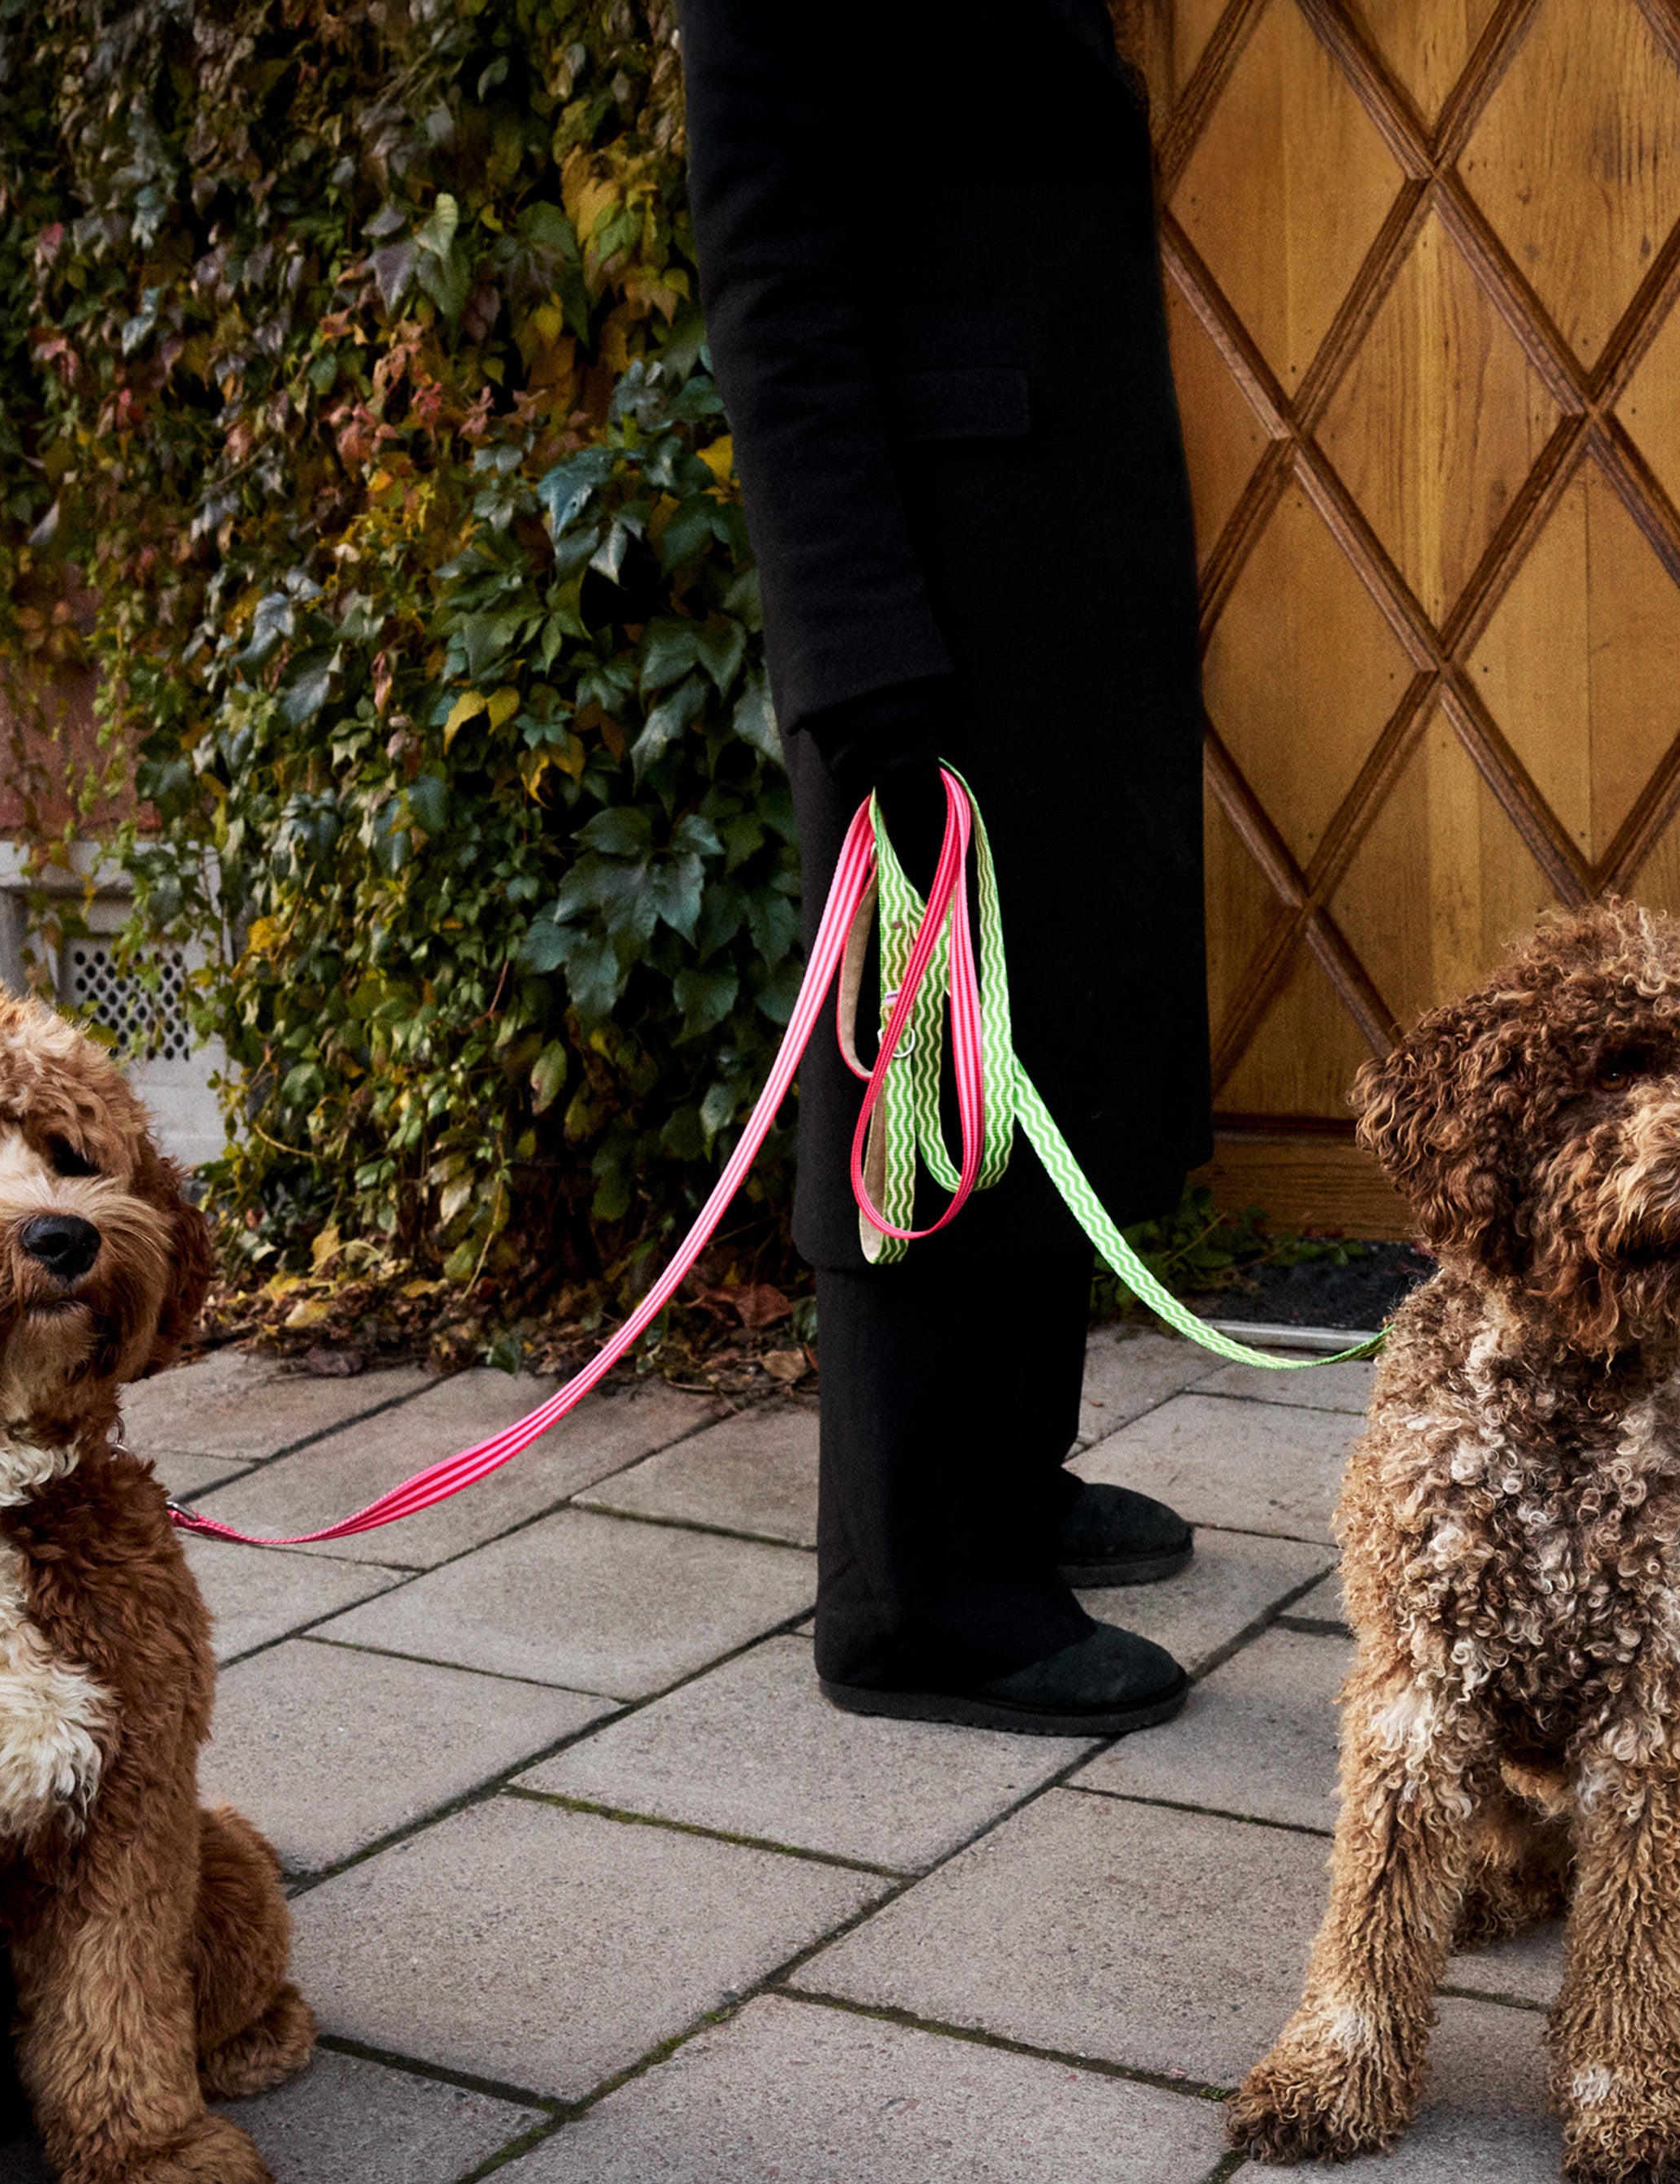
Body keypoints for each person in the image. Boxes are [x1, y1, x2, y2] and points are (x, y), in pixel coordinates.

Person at [681, 0, 1211, 1734]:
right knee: (916, 1063)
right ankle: (917, 1596)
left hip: (1056, 560)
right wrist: (856, 660)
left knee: (1042, 1021)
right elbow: (776, 278)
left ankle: (1006, 1489)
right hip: (927, 596)